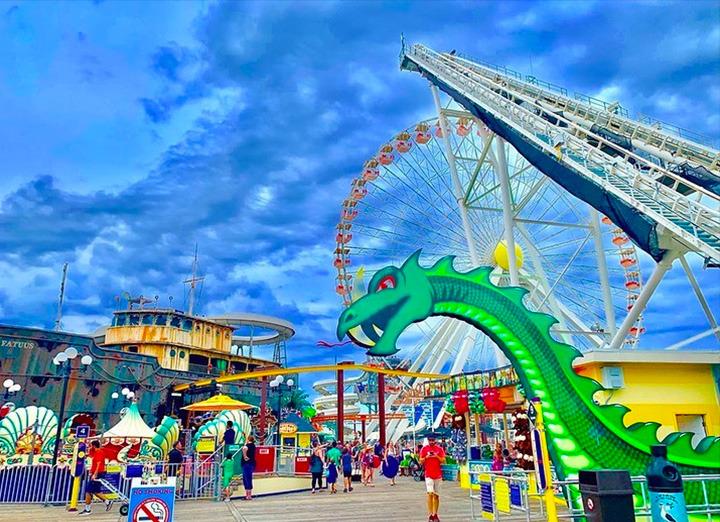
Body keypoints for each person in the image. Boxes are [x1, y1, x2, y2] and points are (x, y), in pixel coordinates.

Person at [79, 440, 112, 516]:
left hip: (98, 473)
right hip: (96, 473)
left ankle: (88, 509)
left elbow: (99, 463)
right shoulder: (97, 452)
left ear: (94, 446)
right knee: (95, 490)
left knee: (88, 490)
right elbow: (91, 456)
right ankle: (107, 501)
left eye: (91, 446)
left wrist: (95, 474)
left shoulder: (99, 452)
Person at [419, 435, 446, 522]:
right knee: (430, 493)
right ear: (428, 440)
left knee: (436, 496)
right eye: (430, 440)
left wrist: (436, 456)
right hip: (428, 474)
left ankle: (435, 514)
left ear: (435, 440)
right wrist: (426, 457)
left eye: (433, 440)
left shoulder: (439, 449)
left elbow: (443, 460)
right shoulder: (424, 449)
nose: (431, 441)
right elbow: (420, 460)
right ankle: (430, 514)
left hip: (438, 474)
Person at [241, 435, 256, 500]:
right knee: (248, 478)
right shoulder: (253, 445)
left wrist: (245, 456)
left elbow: (244, 449)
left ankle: (248, 495)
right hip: (251, 463)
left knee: (246, 478)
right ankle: (248, 495)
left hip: (246, 463)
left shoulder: (247, 445)